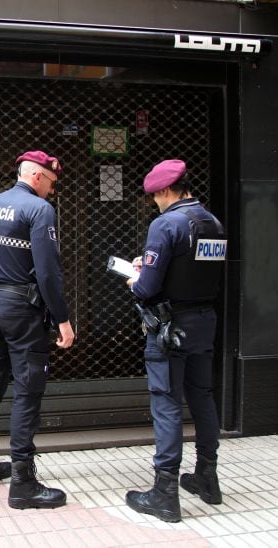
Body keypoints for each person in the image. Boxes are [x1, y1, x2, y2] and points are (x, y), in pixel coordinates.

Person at [0, 150, 75, 510]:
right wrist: (63, 320)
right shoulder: (39, 211)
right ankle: (23, 481)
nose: (52, 192)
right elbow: (48, 272)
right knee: (28, 388)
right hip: (23, 310)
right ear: (38, 176)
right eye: (51, 184)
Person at [125, 159, 227, 522]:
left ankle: (164, 493)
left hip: (170, 328)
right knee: (202, 396)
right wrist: (150, 267)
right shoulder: (213, 223)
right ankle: (207, 477)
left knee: (166, 401)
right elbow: (192, 270)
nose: (154, 202)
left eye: (154, 196)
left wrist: (136, 279)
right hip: (204, 321)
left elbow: (148, 288)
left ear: (166, 191)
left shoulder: (165, 223)